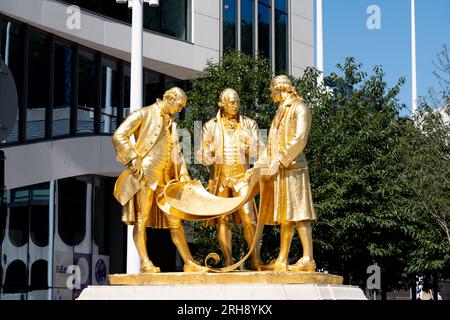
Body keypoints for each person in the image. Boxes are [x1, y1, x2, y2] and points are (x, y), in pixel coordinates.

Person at [112, 87, 207, 273]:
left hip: (166, 178)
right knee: (142, 218)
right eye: (179, 105)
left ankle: (189, 261)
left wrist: (184, 174)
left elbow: (176, 152)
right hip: (145, 175)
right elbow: (119, 135)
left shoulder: (172, 123)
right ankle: (145, 262)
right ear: (169, 99)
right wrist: (132, 159)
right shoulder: (144, 113)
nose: (180, 109)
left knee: (176, 221)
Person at [196, 88, 262, 270]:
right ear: (222, 104)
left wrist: (249, 141)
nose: (235, 105)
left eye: (237, 102)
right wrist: (207, 153)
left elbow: (260, 153)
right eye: (232, 102)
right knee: (223, 220)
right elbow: (200, 155)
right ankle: (227, 260)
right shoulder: (210, 126)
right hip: (220, 179)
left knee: (250, 219)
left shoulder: (250, 124)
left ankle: (256, 259)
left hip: (243, 179)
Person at [256, 75, 317, 272]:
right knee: (285, 215)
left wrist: (280, 161)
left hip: (293, 168)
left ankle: (308, 258)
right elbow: (271, 143)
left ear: (279, 88)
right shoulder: (280, 111)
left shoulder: (300, 108)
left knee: (300, 213)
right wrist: (258, 165)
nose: (270, 94)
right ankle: (282, 259)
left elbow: (300, 139)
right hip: (280, 170)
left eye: (271, 90)